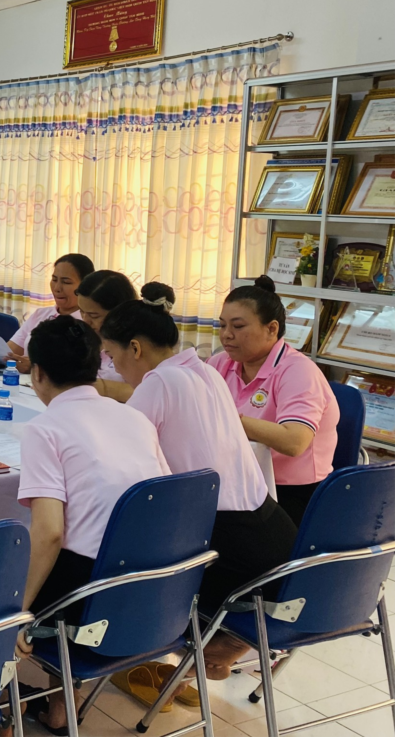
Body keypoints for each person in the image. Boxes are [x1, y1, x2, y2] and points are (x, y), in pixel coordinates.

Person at [100, 282, 297, 682]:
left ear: (135, 348)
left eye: (112, 355)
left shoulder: (158, 383)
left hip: (234, 555)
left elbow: (117, 462)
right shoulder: (205, 371)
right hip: (276, 537)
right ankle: (213, 651)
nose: (114, 367)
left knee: (114, 545)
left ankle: (149, 654)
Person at [16, 315, 170, 731]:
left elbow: (49, 532)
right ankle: (61, 707)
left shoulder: (44, 429)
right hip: (157, 595)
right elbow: (165, 499)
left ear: (38, 373)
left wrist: (19, 611)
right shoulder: (134, 418)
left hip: (91, 601)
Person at [209, 275, 339, 527]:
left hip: (291, 493)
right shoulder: (220, 363)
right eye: (222, 325)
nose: (226, 335)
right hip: (239, 480)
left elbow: (294, 442)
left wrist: (229, 420)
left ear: (272, 329)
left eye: (238, 326)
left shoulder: (298, 371)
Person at [7, 253, 94, 372]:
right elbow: (9, 352)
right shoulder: (40, 314)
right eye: (54, 280)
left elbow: (83, 368)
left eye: (66, 282)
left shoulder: (89, 322)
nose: (57, 288)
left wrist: (37, 368)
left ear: (85, 286)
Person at [74, 269, 137, 398]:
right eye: (81, 311)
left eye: (94, 315)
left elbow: (148, 391)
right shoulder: (81, 337)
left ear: (119, 312)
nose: (85, 321)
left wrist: (97, 387)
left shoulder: (137, 345)